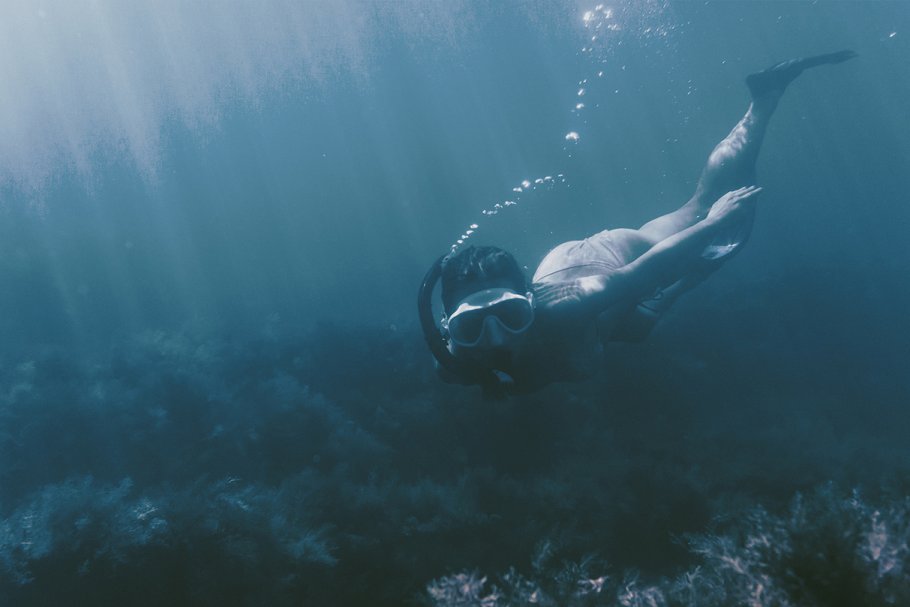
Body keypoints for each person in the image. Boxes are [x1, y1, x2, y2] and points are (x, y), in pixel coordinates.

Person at [418, 51, 857, 397]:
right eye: (471, 327)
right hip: (603, 312)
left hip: (601, 259)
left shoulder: (571, 307)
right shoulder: (454, 362)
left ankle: (763, 101)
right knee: (640, 325)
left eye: (511, 316)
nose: (495, 339)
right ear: (448, 326)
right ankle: (688, 275)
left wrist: (715, 221)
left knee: (709, 220)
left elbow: (644, 270)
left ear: (529, 300)